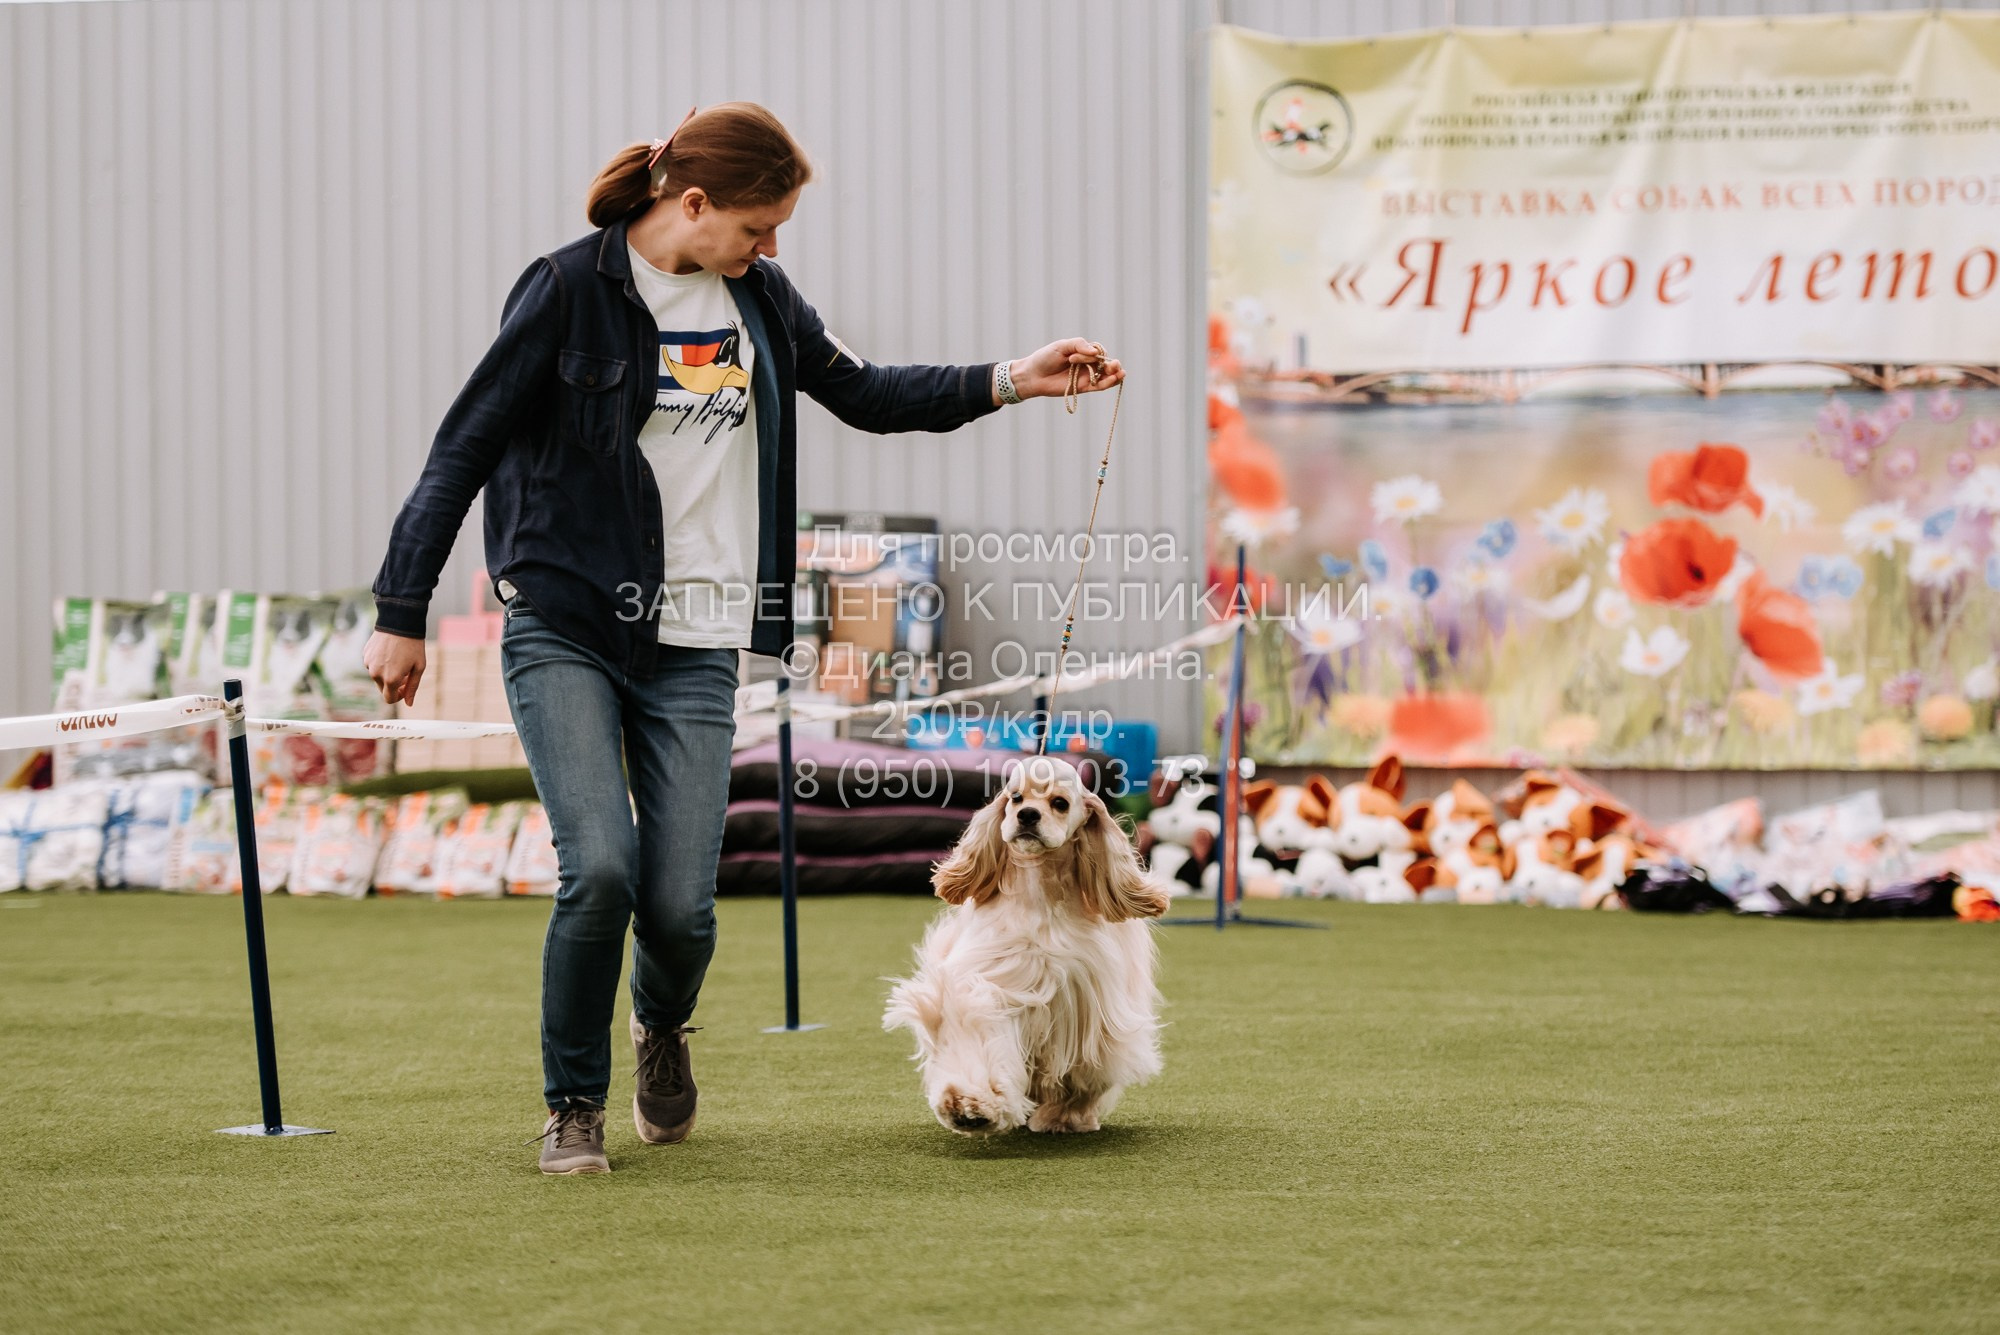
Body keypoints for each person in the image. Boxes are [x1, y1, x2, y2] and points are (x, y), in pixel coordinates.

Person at [362, 102, 1124, 1175]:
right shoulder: (568, 291)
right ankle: (572, 1103)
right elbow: (460, 450)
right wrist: (403, 611)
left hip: (700, 638)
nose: (770, 249)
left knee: (679, 904)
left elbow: (863, 392)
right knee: (601, 872)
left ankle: (659, 1025)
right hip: (568, 622)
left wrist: (1011, 378)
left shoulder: (758, 301)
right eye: (758, 228)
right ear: (692, 203)